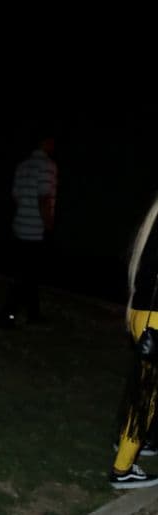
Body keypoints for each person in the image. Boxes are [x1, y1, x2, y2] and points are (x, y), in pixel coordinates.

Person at [109, 195, 158, 488]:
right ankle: (122, 469)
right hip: (155, 318)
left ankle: (142, 440)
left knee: (146, 392)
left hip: (144, 313)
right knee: (145, 397)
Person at [0, 132, 57, 327]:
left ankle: (31, 312)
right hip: (36, 228)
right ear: (45, 142)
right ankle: (11, 312)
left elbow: (16, 196)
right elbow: (44, 198)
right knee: (29, 274)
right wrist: (48, 225)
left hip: (20, 224)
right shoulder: (48, 166)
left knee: (25, 272)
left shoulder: (23, 166)